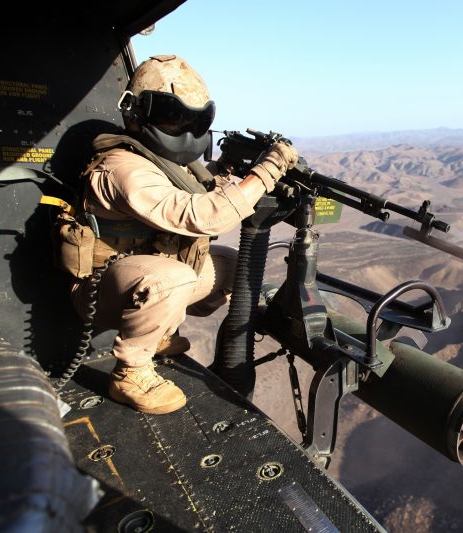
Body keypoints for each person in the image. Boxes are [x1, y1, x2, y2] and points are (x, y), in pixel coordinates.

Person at [70, 54, 298, 414]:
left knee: (227, 265)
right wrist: (264, 172)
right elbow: (200, 214)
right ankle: (131, 372)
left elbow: (194, 192)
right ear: (136, 112)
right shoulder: (123, 168)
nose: (187, 131)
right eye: (172, 117)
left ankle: (158, 333)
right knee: (173, 278)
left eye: (197, 119)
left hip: (135, 280)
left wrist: (223, 171)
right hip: (97, 291)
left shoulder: (159, 161)